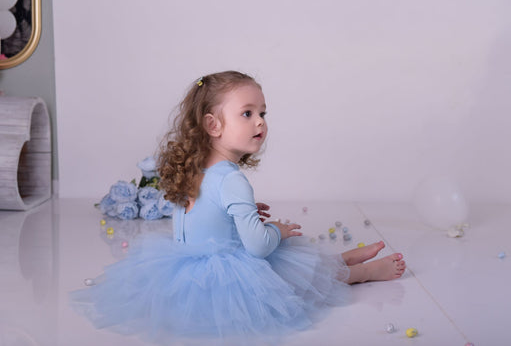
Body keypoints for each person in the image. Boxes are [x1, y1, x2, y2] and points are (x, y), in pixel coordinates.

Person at [71, 70, 406, 345]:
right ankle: (361, 273)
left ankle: (340, 261)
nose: (260, 122)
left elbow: (193, 223)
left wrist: (237, 215)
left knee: (295, 267)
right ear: (213, 125)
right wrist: (277, 230)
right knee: (290, 279)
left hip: (185, 268)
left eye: (262, 113)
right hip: (225, 276)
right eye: (247, 113)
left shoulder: (193, 168)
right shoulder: (231, 180)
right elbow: (258, 248)